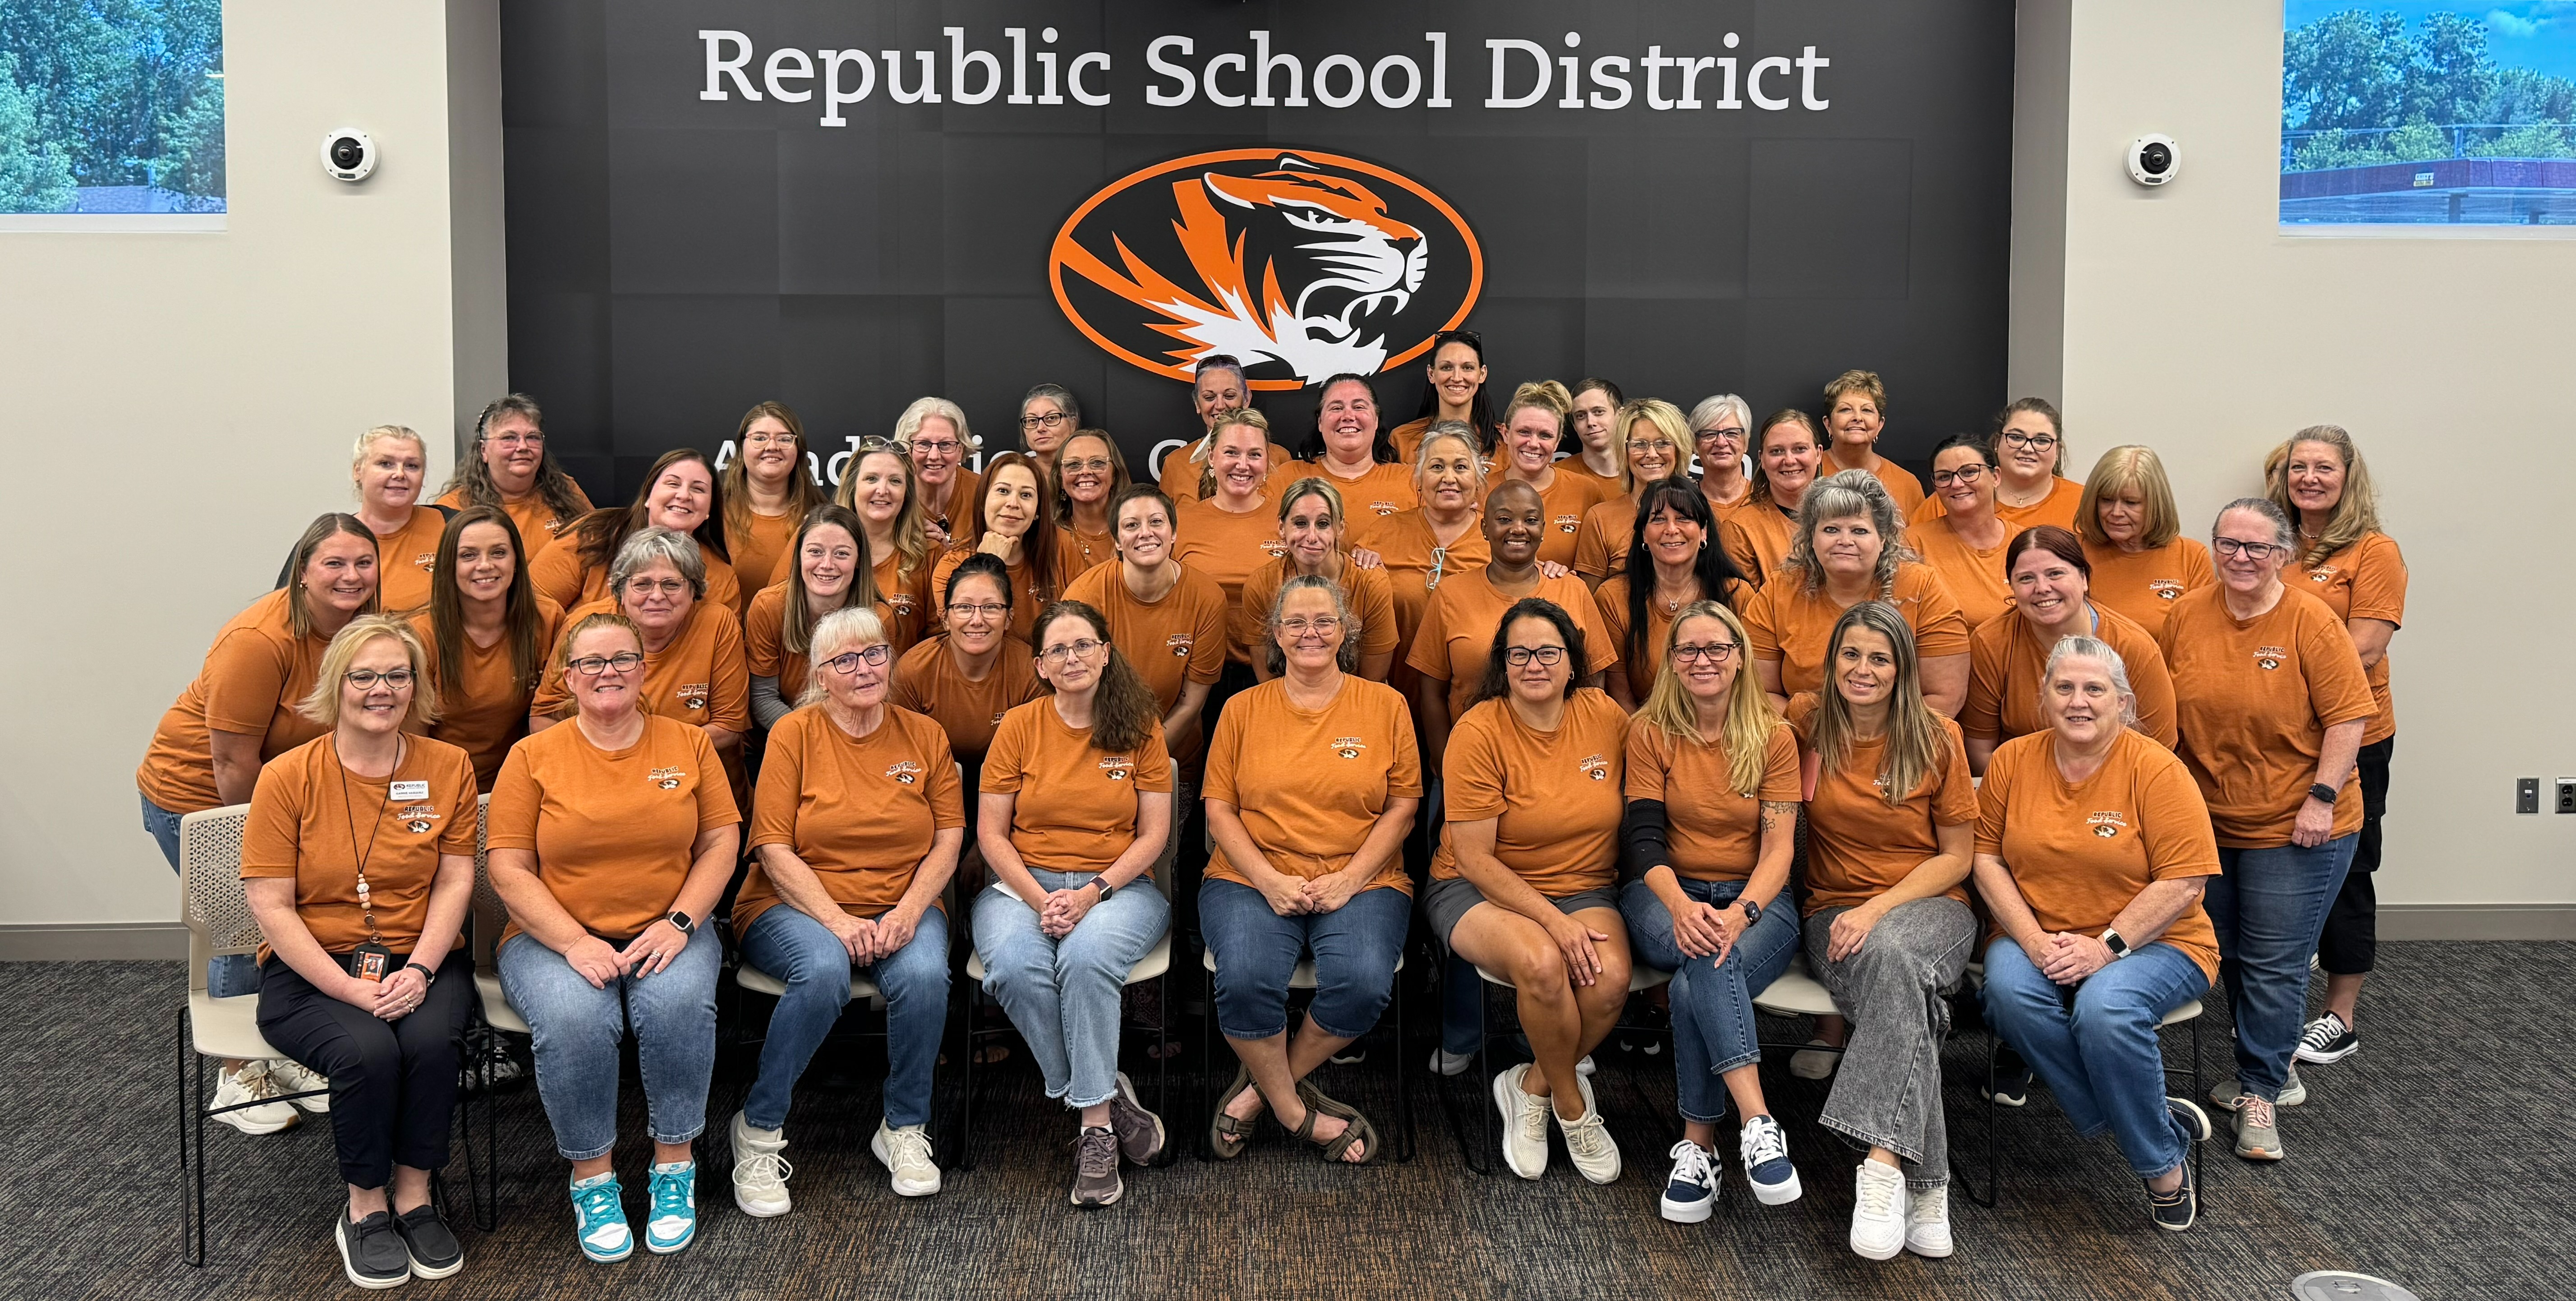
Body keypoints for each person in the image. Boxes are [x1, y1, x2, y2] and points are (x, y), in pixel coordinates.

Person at [488, 611, 741, 1263]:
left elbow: (720, 842)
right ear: (569, 678)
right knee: (575, 1016)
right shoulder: (532, 756)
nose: (608, 673)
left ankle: (674, 1168)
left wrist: (681, 921)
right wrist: (573, 941)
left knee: (677, 1003)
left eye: (622, 660)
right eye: (592, 663)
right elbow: (508, 868)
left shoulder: (687, 745)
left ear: (644, 668)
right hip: (550, 938)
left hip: (670, 927)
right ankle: (593, 1180)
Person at [242, 617, 478, 1288]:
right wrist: (349, 991)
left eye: (398, 675)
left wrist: (423, 969)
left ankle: (415, 1196)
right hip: (312, 969)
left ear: (417, 686)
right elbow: (271, 906)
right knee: (368, 1051)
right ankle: (365, 1208)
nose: (383, 689)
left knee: (431, 1045)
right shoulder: (287, 777)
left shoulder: (447, 766)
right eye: (365, 675)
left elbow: (456, 879)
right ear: (336, 685)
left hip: (420, 959)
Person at [1971, 637, 2221, 1232]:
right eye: (2065, 688)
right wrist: (2032, 942)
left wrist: (2103, 948)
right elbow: (1986, 861)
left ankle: (2160, 1166)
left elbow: (2184, 881)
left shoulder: (2158, 768)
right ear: (2043, 699)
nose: (2078, 701)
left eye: (2094, 689)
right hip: (2039, 934)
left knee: (2105, 1009)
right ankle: (2148, 1119)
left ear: (2124, 702)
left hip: (2159, 941)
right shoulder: (2010, 761)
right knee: (2005, 992)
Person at [141, 512, 380, 1128]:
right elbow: (231, 762)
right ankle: (235, 1076)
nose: (351, 576)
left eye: (363, 562)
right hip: (202, 799)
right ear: (302, 572)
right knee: (245, 927)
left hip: (276, 796)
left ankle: (277, 1054)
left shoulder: (360, 631)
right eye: (334, 563)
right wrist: (275, 842)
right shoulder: (260, 639)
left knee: (283, 925)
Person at [2156, 498, 2371, 1163]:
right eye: (2229, 544)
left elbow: (2347, 719)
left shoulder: (2310, 618)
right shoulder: (2187, 614)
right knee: (2221, 950)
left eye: (2257, 548)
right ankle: (2273, 1063)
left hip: (2298, 821)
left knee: (2275, 961)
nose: (2241, 558)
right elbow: (2165, 710)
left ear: (2282, 554)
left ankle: (2260, 1092)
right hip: (2208, 822)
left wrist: (2322, 798)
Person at [731, 607, 963, 1211]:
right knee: (825, 971)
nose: (865, 669)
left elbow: (948, 838)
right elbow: (772, 846)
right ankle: (758, 1131)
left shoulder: (925, 735)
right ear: (820, 675)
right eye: (845, 660)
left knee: (924, 975)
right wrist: (837, 923)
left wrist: (911, 912)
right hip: (796, 907)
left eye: (875, 653)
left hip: (901, 902)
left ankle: (904, 1128)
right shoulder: (794, 734)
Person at [1782, 601, 1977, 1261]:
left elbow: (1957, 856)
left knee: (1894, 952)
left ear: (1903, 668)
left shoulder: (1936, 735)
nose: (1863, 670)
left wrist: (1879, 908)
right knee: (1907, 992)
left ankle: (1883, 1167)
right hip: (1832, 914)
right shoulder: (1807, 722)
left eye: (1880, 658)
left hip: (1932, 909)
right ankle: (1924, 1185)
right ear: (1833, 660)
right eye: (1851, 655)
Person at [1201, 577, 1420, 1164]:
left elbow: (1403, 806)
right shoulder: (1241, 709)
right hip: (1250, 878)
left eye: (1324, 621)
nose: (1310, 634)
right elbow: (1219, 810)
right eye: (1295, 623)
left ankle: (1258, 1093)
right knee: (1245, 979)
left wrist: (1350, 879)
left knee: (1365, 982)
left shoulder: (1386, 705)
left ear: (1347, 631)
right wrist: (1270, 881)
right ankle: (1300, 1115)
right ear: (1275, 635)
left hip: (1364, 879)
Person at [974, 601, 1177, 1207]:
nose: (1073, 658)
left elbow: (1154, 837)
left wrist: (1090, 895)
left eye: (1084, 645)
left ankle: (1095, 1132)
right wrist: (1043, 900)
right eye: (1058, 650)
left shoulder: (1141, 726)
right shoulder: (1018, 727)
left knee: (1085, 961)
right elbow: (991, 834)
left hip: (1118, 887)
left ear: (1106, 652)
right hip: (1023, 885)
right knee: (1013, 967)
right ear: (1040, 664)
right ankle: (1105, 1098)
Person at [1424, 599, 1632, 1183]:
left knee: (1611, 979)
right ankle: (1572, 1106)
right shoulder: (1480, 729)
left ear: (1573, 664)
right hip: (1476, 889)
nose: (1534, 664)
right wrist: (1556, 924)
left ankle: (1530, 1084)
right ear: (1503, 663)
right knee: (1543, 963)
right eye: (1519, 653)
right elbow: (1473, 857)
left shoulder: (1605, 715)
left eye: (1549, 652)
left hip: (1585, 884)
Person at [1616, 601, 1806, 1221]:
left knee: (1699, 975)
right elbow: (1643, 837)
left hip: (1757, 899)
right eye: (1688, 650)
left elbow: (1779, 849)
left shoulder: (1774, 735)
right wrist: (1681, 905)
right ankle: (1757, 1122)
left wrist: (1742, 912)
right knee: (1703, 950)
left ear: (1740, 656)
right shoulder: (1648, 731)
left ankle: (1699, 1148)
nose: (1702, 661)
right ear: (1671, 662)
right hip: (1664, 892)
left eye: (1716, 648)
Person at [2267, 426, 2406, 1069]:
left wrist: (2275, 683)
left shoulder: (2374, 552)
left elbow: (2365, 649)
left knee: (2348, 867)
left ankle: (2340, 1016)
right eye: (2300, 467)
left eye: (2324, 467)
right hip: (2278, 739)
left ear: (2350, 476)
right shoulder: (2273, 544)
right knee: (2280, 863)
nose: (2310, 478)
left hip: (2354, 736)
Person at [1411, 480, 1618, 780]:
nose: (1518, 529)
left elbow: (1594, 683)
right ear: (1484, 529)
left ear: (1544, 529)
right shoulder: (1450, 594)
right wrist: (1447, 764)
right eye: (1505, 519)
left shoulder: (1573, 589)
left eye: (1530, 520)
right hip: (1476, 764)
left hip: (1563, 762)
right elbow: (1431, 692)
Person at [1744, 471, 1970, 717]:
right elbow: (1761, 693)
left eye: (1859, 531)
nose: (1845, 541)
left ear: (1883, 539)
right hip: (1805, 740)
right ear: (1811, 538)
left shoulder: (1921, 586)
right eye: (1831, 530)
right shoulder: (1781, 589)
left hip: (1901, 742)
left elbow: (1946, 696)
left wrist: (1870, 742)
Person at [530, 529, 750, 773]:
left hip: (695, 772)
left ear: (694, 591)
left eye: (671, 584)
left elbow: (728, 727)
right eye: (642, 584)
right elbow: (544, 717)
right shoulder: (584, 624)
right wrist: (611, 758)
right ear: (620, 591)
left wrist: (645, 757)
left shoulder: (718, 623)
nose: (657, 596)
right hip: (598, 771)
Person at [1963, 527, 2176, 774]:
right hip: (2020, 788)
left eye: (2055, 574)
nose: (2042, 588)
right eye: (2026, 579)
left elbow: (2160, 751)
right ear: (2011, 586)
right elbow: (1979, 749)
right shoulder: (1991, 643)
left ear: (2084, 579)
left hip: (2115, 795)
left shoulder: (2135, 647)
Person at [1062, 486, 1228, 772]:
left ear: (1174, 533)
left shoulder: (1207, 598)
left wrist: (1144, 762)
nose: (1145, 533)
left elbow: (1190, 705)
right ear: (1116, 540)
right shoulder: (1085, 597)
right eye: (1131, 525)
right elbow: (1072, 696)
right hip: (1094, 752)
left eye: (1156, 522)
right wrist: (1111, 763)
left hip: (1173, 756)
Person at [411, 506, 565, 790]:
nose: (485, 565)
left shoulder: (547, 620)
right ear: (449, 566)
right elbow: (411, 746)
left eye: (498, 553)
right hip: (440, 785)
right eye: (469, 555)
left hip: (523, 782)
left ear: (517, 561)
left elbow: (556, 719)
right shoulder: (422, 636)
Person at [1342, 422, 1490, 708]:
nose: (1449, 478)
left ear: (1479, 478)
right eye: (1436, 467)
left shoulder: (1495, 537)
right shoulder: (1383, 533)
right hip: (1395, 697)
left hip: (1475, 703)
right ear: (1419, 479)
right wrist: (1361, 566)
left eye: (1461, 467)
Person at [893, 554, 1046, 807]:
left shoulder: (1030, 672)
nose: (977, 620)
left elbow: (1035, 765)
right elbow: (901, 762)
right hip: (930, 788)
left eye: (991, 607)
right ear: (945, 618)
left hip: (1012, 790)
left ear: (1009, 618)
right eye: (964, 607)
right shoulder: (914, 671)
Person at [1596, 480, 1751, 710]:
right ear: (1644, 536)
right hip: (1647, 732)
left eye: (1683, 518)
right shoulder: (1613, 597)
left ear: (1704, 531)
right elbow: (1621, 696)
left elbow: (1748, 684)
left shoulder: (1736, 593)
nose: (1671, 529)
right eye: (1658, 519)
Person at [532, 448, 743, 615]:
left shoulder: (721, 578)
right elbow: (533, 606)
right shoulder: (591, 535)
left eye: (698, 489)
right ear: (649, 496)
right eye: (673, 483)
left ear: (709, 510)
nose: (684, 495)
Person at [1240, 477, 1401, 684]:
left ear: (1340, 528)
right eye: (1300, 524)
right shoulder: (1261, 584)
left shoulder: (1371, 584)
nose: (1312, 536)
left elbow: (1374, 681)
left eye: (1324, 524)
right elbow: (1267, 681)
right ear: (1281, 527)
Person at [747, 505, 884, 732]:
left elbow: (875, 700)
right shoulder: (768, 607)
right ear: (799, 556)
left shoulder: (879, 618)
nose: (827, 565)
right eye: (815, 552)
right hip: (778, 736)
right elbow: (763, 699)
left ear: (859, 560)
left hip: (853, 736)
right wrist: (812, 739)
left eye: (841, 553)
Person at [1171, 410, 1288, 670]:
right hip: (1198, 674)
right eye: (1231, 453)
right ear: (1212, 457)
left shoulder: (1290, 521)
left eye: (1254, 454)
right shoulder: (1178, 523)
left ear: (1268, 461)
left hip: (1278, 671)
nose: (1243, 465)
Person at [929, 451, 1079, 646]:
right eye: (1003, 491)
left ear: (1037, 511)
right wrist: (989, 561)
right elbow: (975, 639)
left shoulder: (1062, 547)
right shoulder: (950, 567)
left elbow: (1078, 628)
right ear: (983, 500)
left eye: (1026, 495)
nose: (1013, 504)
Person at [433, 393, 593, 559]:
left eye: (532, 437)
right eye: (509, 438)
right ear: (483, 450)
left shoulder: (567, 490)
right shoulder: (453, 509)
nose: (523, 447)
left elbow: (599, 550)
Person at [2076, 445, 2213, 637]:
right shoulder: (2073, 553)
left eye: (2131, 503)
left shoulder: (2191, 556)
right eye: (2107, 500)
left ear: (2155, 504)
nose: (2116, 513)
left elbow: (2198, 640)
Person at [1910, 432, 2024, 633]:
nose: (1957, 484)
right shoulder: (1912, 544)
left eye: (1970, 472)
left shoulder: (2026, 544)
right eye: (1944, 477)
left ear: (1996, 477)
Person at [1573, 399, 1692, 586]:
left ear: (1679, 449)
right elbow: (1592, 603)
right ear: (1624, 452)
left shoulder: (1700, 511)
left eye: (1663, 443)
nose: (1652, 454)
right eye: (1639, 444)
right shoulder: (1601, 519)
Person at [834, 438, 936, 654]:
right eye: (871, 479)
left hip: (901, 685)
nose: (883, 490)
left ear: (907, 494)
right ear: (853, 487)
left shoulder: (929, 553)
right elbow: (782, 613)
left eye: (895, 481)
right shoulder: (814, 541)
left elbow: (939, 642)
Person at [336, 425, 450, 615]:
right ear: (358, 471)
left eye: (412, 466)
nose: (399, 474)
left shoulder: (453, 525)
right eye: (385, 464)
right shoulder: (329, 542)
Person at [1491, 381, 1605, 568]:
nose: (1534, 443)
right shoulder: (1478, 491)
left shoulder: (1586, 491)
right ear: (1505, 433)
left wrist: (1562, 581)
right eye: (1524, 432)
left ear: (1558, 441)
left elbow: (1595, 571)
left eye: (1545, 435)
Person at [719, 401, 828, 594]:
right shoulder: (715, 513)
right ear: (741, 447)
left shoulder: (821, 517)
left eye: (785, 439)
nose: (772, 446)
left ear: (799, 450)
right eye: (760, 438)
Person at [1158, 355, 1293, 506]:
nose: (1220, 405)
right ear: (1197, 403)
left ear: (1246, 399)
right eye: (1209, 397)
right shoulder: (1176, 464)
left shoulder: (1280, 459)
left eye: (1229, 396)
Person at [1280, 372, 1416, 521]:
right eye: (1337, 408)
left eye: (1359, 407)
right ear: (1320, 422)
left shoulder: (1413, 481)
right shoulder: (1285, 478)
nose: (1348, 416)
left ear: (1376, 419)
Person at [1718, 410, 1827, 588]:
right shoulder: (1741, 528)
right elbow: (1745, 610)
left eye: (1800, 449)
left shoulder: (1845, 516)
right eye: (1777, 451)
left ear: (1819, 454)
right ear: (1762, 459)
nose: (1790, 460)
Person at [1815, 369, 1926, 516]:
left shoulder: (1908, 484)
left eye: (1867, 410)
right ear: (1828, 424)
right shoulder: (1807, 472)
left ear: (1880, 424)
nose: (1858, 417)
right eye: (1846, 410)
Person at [1389, 329, 1498, 463]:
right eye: (1446, 368)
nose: (1457, 378)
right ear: (1431, 374)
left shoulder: (1506, 442)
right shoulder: (1403, 439)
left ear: (1482, 374)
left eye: (1468, 368)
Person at [894, 397, 982, 546]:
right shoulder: (892, 496)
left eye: (946, 444)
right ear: (907, 449)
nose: (934, 456)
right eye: (923, 444)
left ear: (961, 450)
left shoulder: (984, 493)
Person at [1054, 429, 1131, 574]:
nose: (1085, 471)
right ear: (1060, 478)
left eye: (1097, 463)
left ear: (1115, 474)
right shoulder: (1049, 538)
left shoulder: (1137, 533)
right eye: (1074, 464)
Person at [1688, 394, 1757, 520]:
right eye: (1709, 434)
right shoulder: (1682, 504)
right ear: (1696, 445)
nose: (1721, 442)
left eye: (1731, 433)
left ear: (1745, 442)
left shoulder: (1768, 499)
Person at [1557, 378, 1627, 498]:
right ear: (1574, 425)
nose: (1590, 422)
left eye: (1599, 412)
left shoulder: (1643, 473)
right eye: (1581, 416)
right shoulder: (1556, 476)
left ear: (1620, 416)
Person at [1019, 383, 1081, 478]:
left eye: (1051, 418)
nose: (1040, 428)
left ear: (1073, 424)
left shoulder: (1088, 472)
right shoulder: (1014, 472)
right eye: (1032, 420)